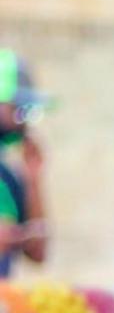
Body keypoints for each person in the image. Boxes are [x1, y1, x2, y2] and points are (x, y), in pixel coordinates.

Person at [0, 50, 48, 276]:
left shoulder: (8, 178)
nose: (25, 119)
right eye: (17, 108)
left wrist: (33, 179)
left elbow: (38, 253)